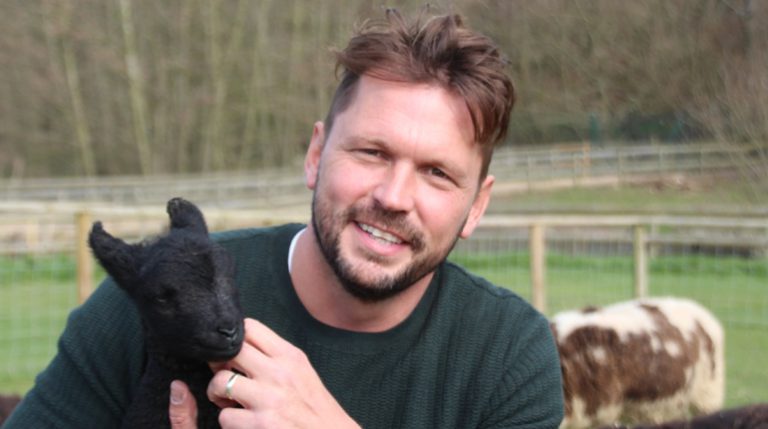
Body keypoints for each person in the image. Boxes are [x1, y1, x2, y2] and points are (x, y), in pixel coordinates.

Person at [5, 8, 564, 428]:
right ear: (316, 155)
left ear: (477, 206)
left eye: (437, 173)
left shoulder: (508, 358)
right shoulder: (153, 300)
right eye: (371, 152)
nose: (394, 195)